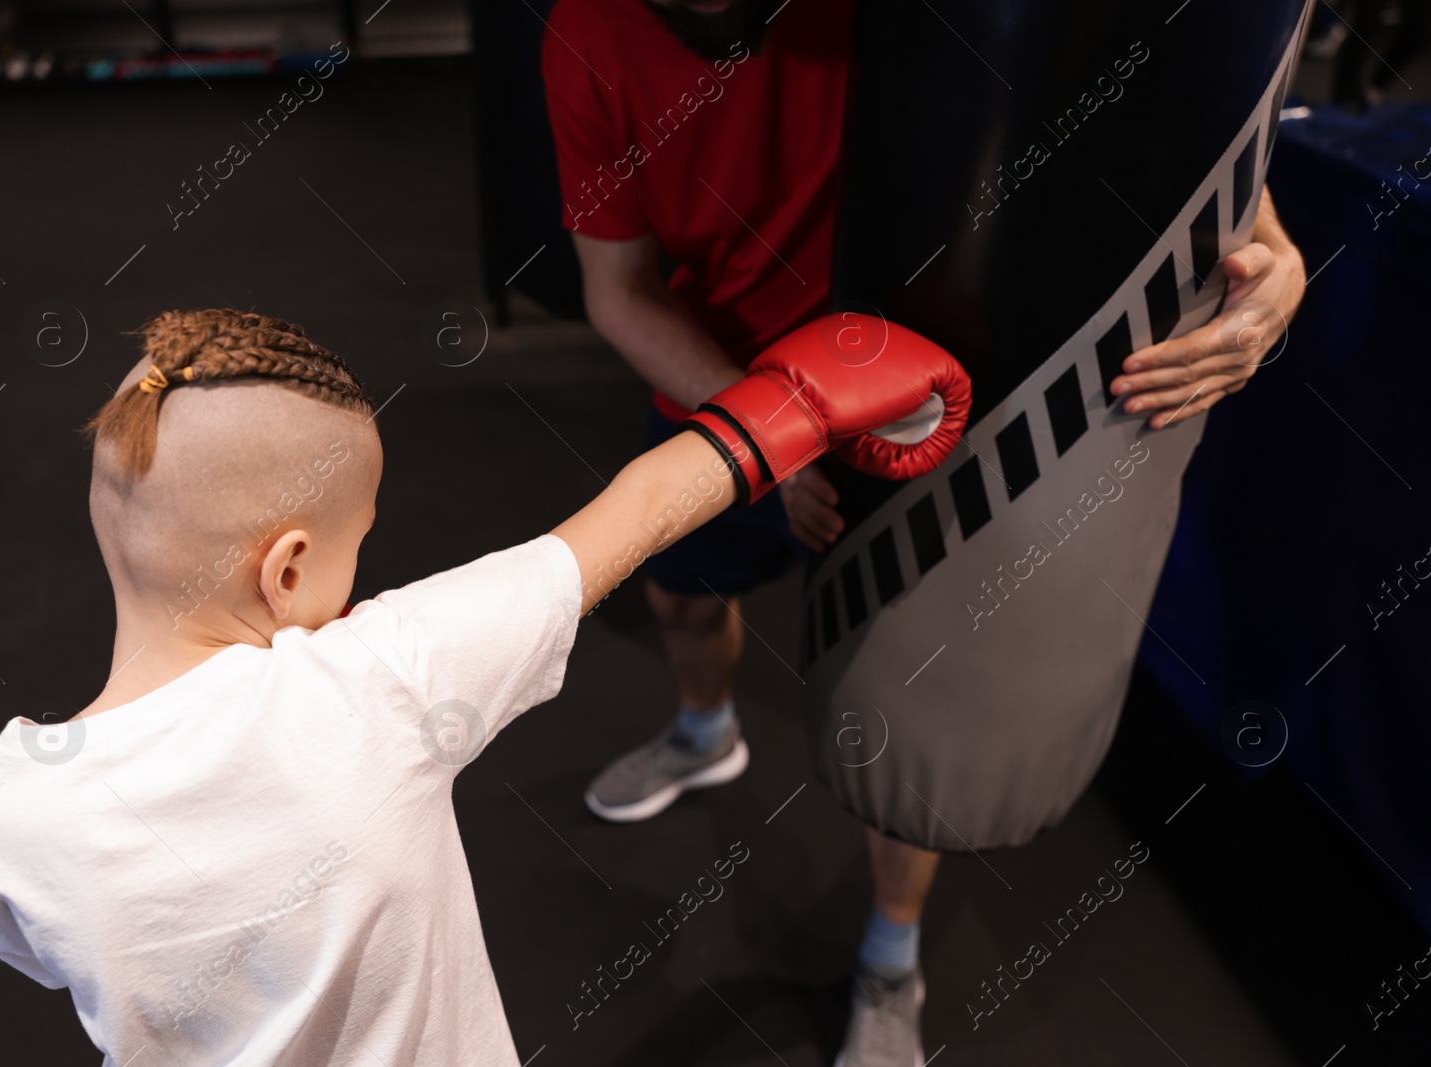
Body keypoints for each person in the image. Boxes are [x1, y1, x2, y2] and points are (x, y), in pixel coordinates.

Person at [540, 1, 1309, 1063]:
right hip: (722, 387)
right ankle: (704, 732)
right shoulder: (588, 32)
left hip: (921, 396)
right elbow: (616, 292)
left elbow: (1158, 103)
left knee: (904, 705)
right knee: (680, 592)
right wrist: (770, 436)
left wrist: (1278, 262)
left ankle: (888, 960)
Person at [0, 307, 962, 1065]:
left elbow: (54, 951)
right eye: (356, 544)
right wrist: (797, 401)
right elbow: (637, 511)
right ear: (287, 569)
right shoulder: (379, 681)